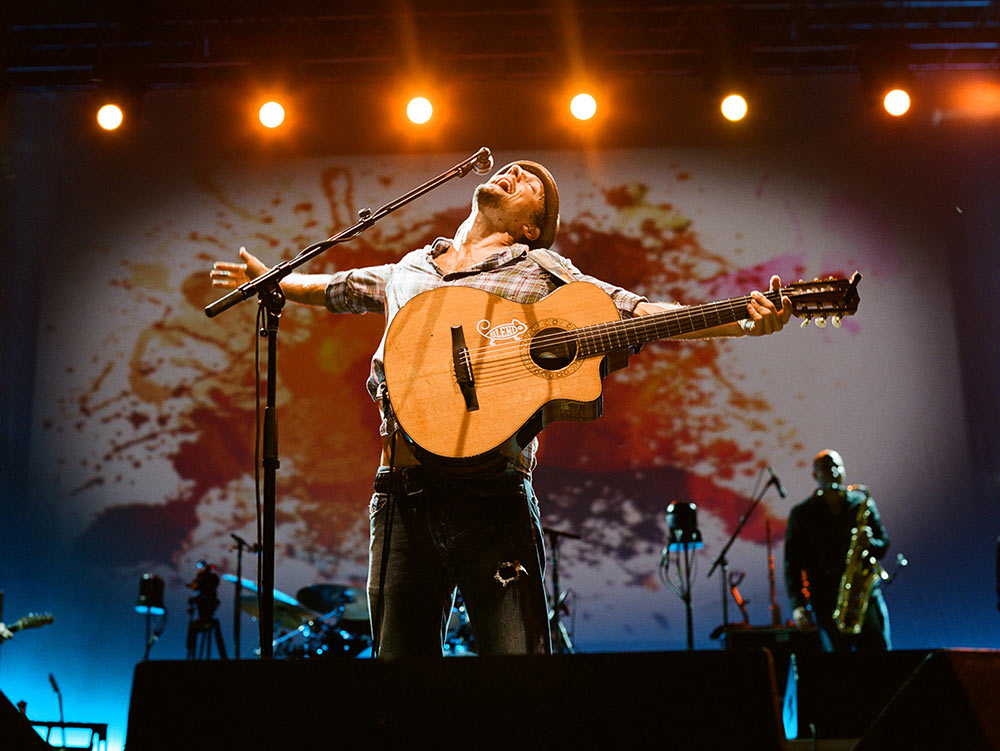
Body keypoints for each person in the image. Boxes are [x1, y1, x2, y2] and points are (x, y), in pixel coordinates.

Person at [210, 159, 792, 657]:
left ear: (532, 225)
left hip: (493, 492)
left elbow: (635, 313)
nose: (514, 171)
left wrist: (741, 321)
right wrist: (276, 282)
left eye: (532, 182)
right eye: (512, 167)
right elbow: (339, 287)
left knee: (518, 675)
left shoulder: (543, 270)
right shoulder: (411, 268)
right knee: (397, 684)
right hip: (400, 493)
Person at [784, 449, 891, 652]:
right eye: (826, 467)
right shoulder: (802, 513)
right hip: (826, 599)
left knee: (880, 659)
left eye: (836, 466)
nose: (833, 471)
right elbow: (792, 564)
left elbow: (883, 544)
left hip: (865, 597)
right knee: (838, 667)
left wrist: (870, 542)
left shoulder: (861, 503)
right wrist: (798, 605)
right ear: (815, 474)